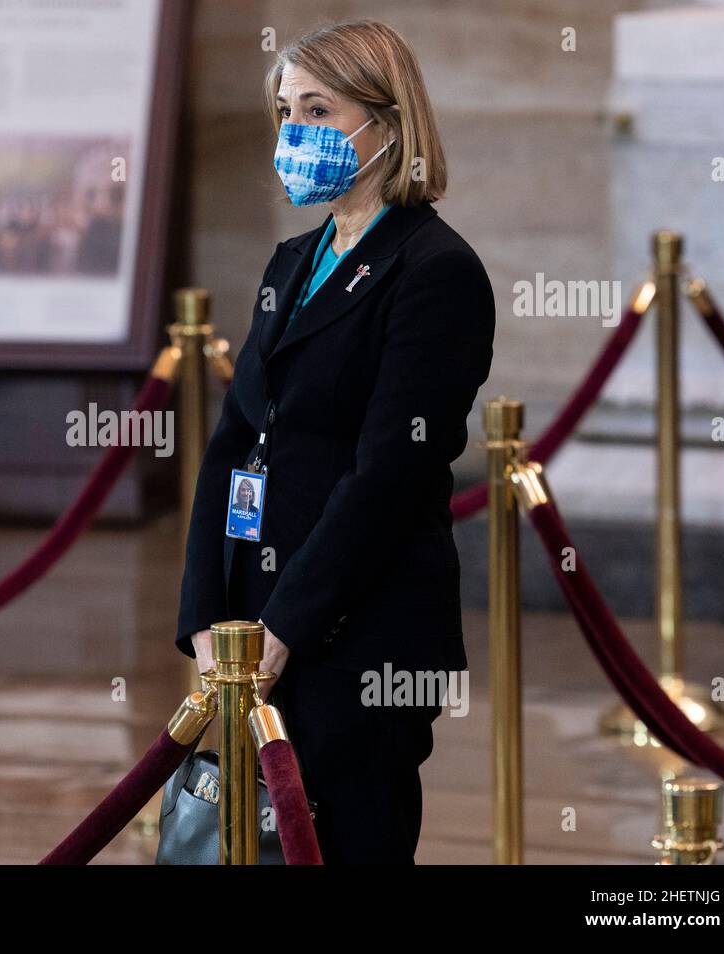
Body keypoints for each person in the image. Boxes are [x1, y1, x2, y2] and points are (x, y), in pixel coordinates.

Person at [175, 19, 495, 864]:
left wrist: (287, 625)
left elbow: (389, 474)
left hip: (358, 640)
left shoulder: (435, 270)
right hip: (252, 632)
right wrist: (208, 614)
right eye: (285, 112)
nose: (293, 134)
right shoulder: (292, 260)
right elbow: (235, 438)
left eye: (318, 109)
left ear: (386, 125)